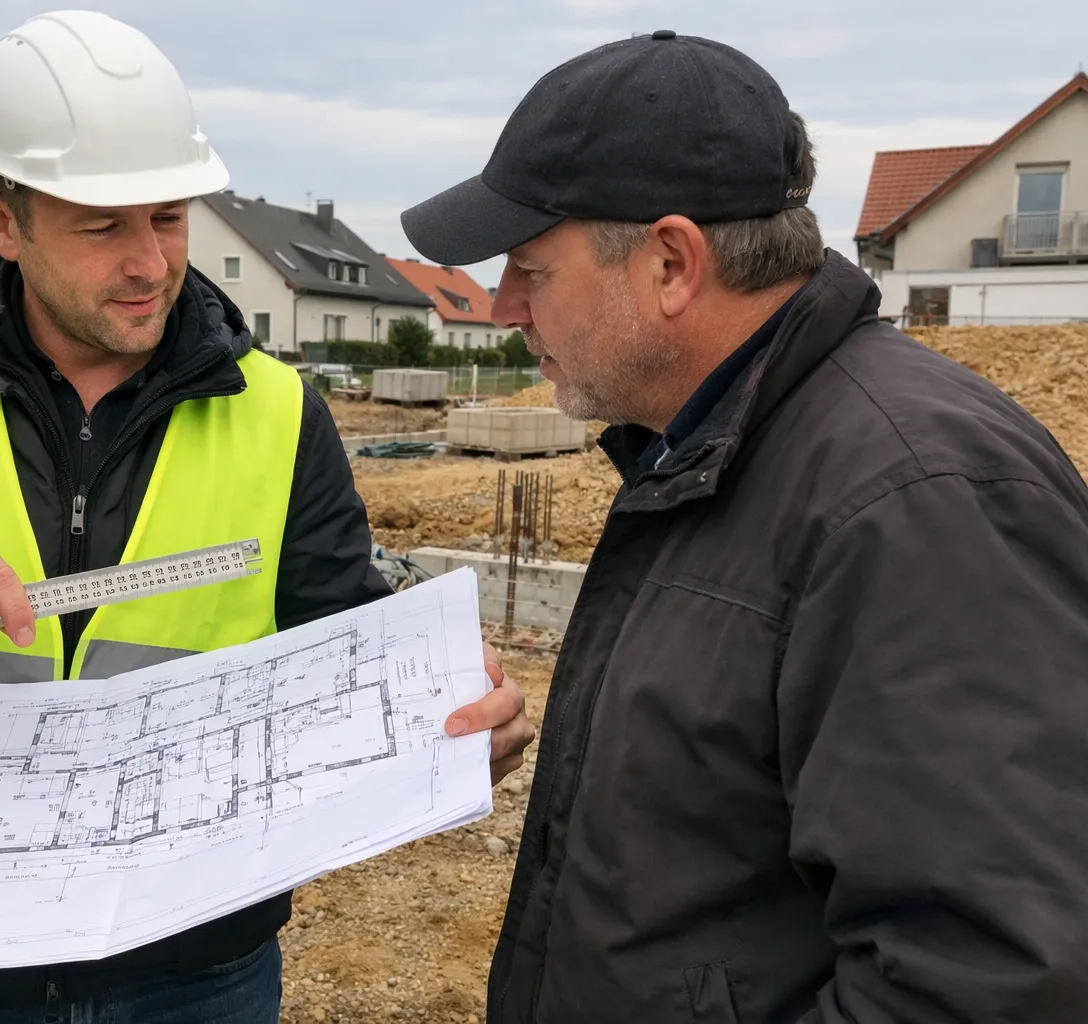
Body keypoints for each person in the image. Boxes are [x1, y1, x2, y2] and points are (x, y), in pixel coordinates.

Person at [0, 11, 532, 1024]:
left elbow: (337, 651)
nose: (152, 263)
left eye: (168, 218)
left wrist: (444, 729)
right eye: (103, 225)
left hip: (194, 969)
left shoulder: (280, 413)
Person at [402, 29, 1088, 1024]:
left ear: (671, 263)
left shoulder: (919, 504)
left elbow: (988, 981)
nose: (502, 306)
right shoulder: (711, 449)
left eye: (531, 268)